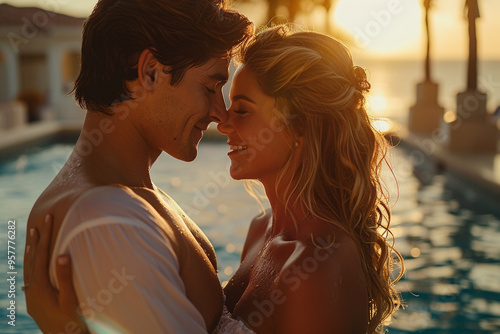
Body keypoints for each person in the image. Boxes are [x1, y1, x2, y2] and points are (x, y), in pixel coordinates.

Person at [26, 24, 404, 333]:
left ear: (300, 125)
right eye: (212, 89)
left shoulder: (317, 267)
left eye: (241, 109)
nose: (222, 120)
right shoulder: (262, 230)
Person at [23, 0, 252, 333]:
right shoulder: (108, 222)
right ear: (149, 72)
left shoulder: (124, 196)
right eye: (209, 87)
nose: (220, 112)